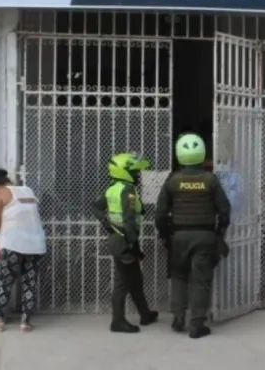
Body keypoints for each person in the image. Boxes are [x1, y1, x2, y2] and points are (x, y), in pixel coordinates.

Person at [155, 133, 231, 339]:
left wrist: (164, 235)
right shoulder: (210, 180)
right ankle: (197, 324)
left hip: (178, 236)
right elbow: (225, 210)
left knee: (178, 276)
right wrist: (219, 233)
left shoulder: (173, 181)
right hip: (204, 236)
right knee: (200, 280)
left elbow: (160, 213)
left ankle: (178, 318)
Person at [91, 153, 159, 333]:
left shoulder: (112, 188)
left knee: (135, 280)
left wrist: (108, 225)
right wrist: (134, 244)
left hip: (117, 238)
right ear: (125, 172)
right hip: (124, 241)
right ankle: (117, 321)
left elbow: (96, 207)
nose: (138, 175)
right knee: (123, 282)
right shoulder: (127, 190)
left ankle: (145, 314)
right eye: (135, 171)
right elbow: (129, 220)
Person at [0, 169, 47, 332]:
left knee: (5, 281)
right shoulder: (28, 190)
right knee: (29, 281)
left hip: (13, 243)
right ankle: (25, 322)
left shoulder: (1, 193)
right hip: (36, 244)